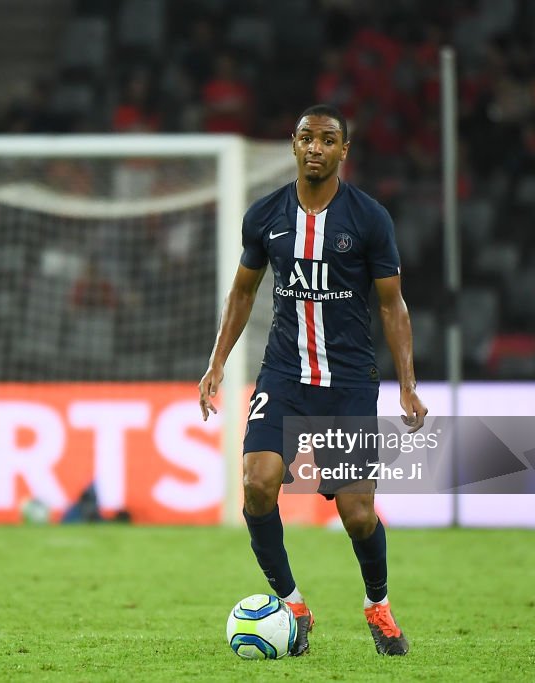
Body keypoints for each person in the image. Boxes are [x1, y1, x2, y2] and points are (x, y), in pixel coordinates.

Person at [198, 104, 427, 657]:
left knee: (356, 514)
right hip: (283, 374)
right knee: (257, 482)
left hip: (348, 381)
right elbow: (244, 292)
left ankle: (378, 604)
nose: (316, 148)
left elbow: (393, 307)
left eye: (328, 139)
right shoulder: (266, 215)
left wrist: (407, 384)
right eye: (306, 138)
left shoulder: (369, 219)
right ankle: (293, 605)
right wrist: (217, 362)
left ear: (344, 151)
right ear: (293, 145)